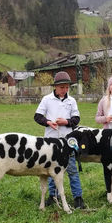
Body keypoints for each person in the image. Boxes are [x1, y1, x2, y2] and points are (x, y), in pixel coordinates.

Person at [34, 71, 86, 209]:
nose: (64, 90)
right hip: (51, 142)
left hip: (68, 142)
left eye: (67, 87)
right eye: (62, 87)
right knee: (51, 170)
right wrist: (48, 122)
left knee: (72, 169)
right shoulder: (47, 99)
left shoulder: (71, 101)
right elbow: (37, 116)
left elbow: (76, 119)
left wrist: (66, 122)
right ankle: (53, 195)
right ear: (55, 87)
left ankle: (78, 197)